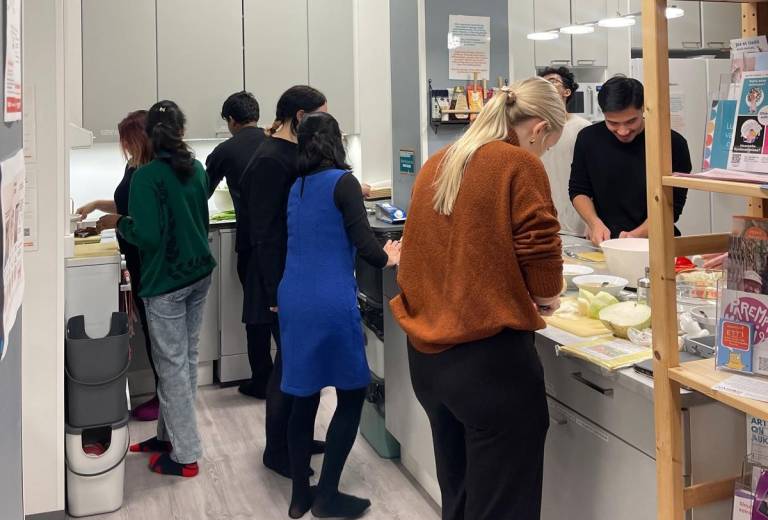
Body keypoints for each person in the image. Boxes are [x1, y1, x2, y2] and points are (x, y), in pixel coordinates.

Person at [390, 77, 566, 520]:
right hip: (490, 365)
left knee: (461, 497)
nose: (543, 155)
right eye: (547, 146)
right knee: (503, 507)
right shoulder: (516, 163)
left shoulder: (439, 161)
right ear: (538, 129)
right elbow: (540, 248)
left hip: (429, 360)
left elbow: (422, 252)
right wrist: (547, 296)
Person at [280, 112, 400, 519]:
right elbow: (366, 245)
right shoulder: (343, 182)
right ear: (337, 142)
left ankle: (300, 496)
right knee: (352, 393)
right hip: (329, 301)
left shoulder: (297, 186)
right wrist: (390, 256)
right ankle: (327, 495)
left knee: (303, 396)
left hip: (294, 299)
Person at [101, 100, 216, 477]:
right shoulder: (196, 168)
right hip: (198, 274)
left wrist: (120, 223)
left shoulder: (146, 177)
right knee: (184, 362)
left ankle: (186, 455)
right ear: (181, 130)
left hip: (165, 282)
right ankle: (169, 438)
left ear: (148, 134)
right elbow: (200, 220)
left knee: (172, 367)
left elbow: (147, 236)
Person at [238, 85, 328, 479]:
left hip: (295, 276)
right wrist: (276, 290)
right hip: (279, 280)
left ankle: (297, 439)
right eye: (321, 115)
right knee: (289, 365)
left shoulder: (290, 153)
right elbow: (265, 232)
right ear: (301, 117)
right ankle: (277, 451)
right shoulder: (270, 160)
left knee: (298, 362)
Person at [76, 110, 159, 422]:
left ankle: (164, 398)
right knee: (150, 329)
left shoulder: (152, 172)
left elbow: (145, 221)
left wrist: (117, 221)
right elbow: (126, 205)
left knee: (157, 333)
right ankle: (162, 395)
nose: (124, 146)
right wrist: (98, 205)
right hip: (135, 258)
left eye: (129, 139)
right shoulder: (134, 165)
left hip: (148, 260)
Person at [569, 76, 693, 245]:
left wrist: (634, 236)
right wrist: (594, 223)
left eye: (631, 121)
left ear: (643, 109)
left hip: (656, 243)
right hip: (604, 242)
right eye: (613, 123)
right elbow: (578, 190)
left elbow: (672, 206)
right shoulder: (588, 138)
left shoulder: (671, 143)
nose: (623, 131)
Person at [206, 91, 272, 398]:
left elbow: (202, 191)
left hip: (252, 243)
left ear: (231, 120)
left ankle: (262, 379)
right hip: (286, 241)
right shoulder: (277, 142)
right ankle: (292, 378)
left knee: (257, 314)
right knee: (284, 311)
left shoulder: (225, 150)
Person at [539, 66, 592, 236]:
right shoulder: (533, 130)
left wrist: (592, 221)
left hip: (577, 222)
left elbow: (594, 177)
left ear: (567, 92)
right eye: (542, 83)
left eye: (553, 81)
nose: (546, 85)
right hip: (543, 220)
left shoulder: (582, 128)